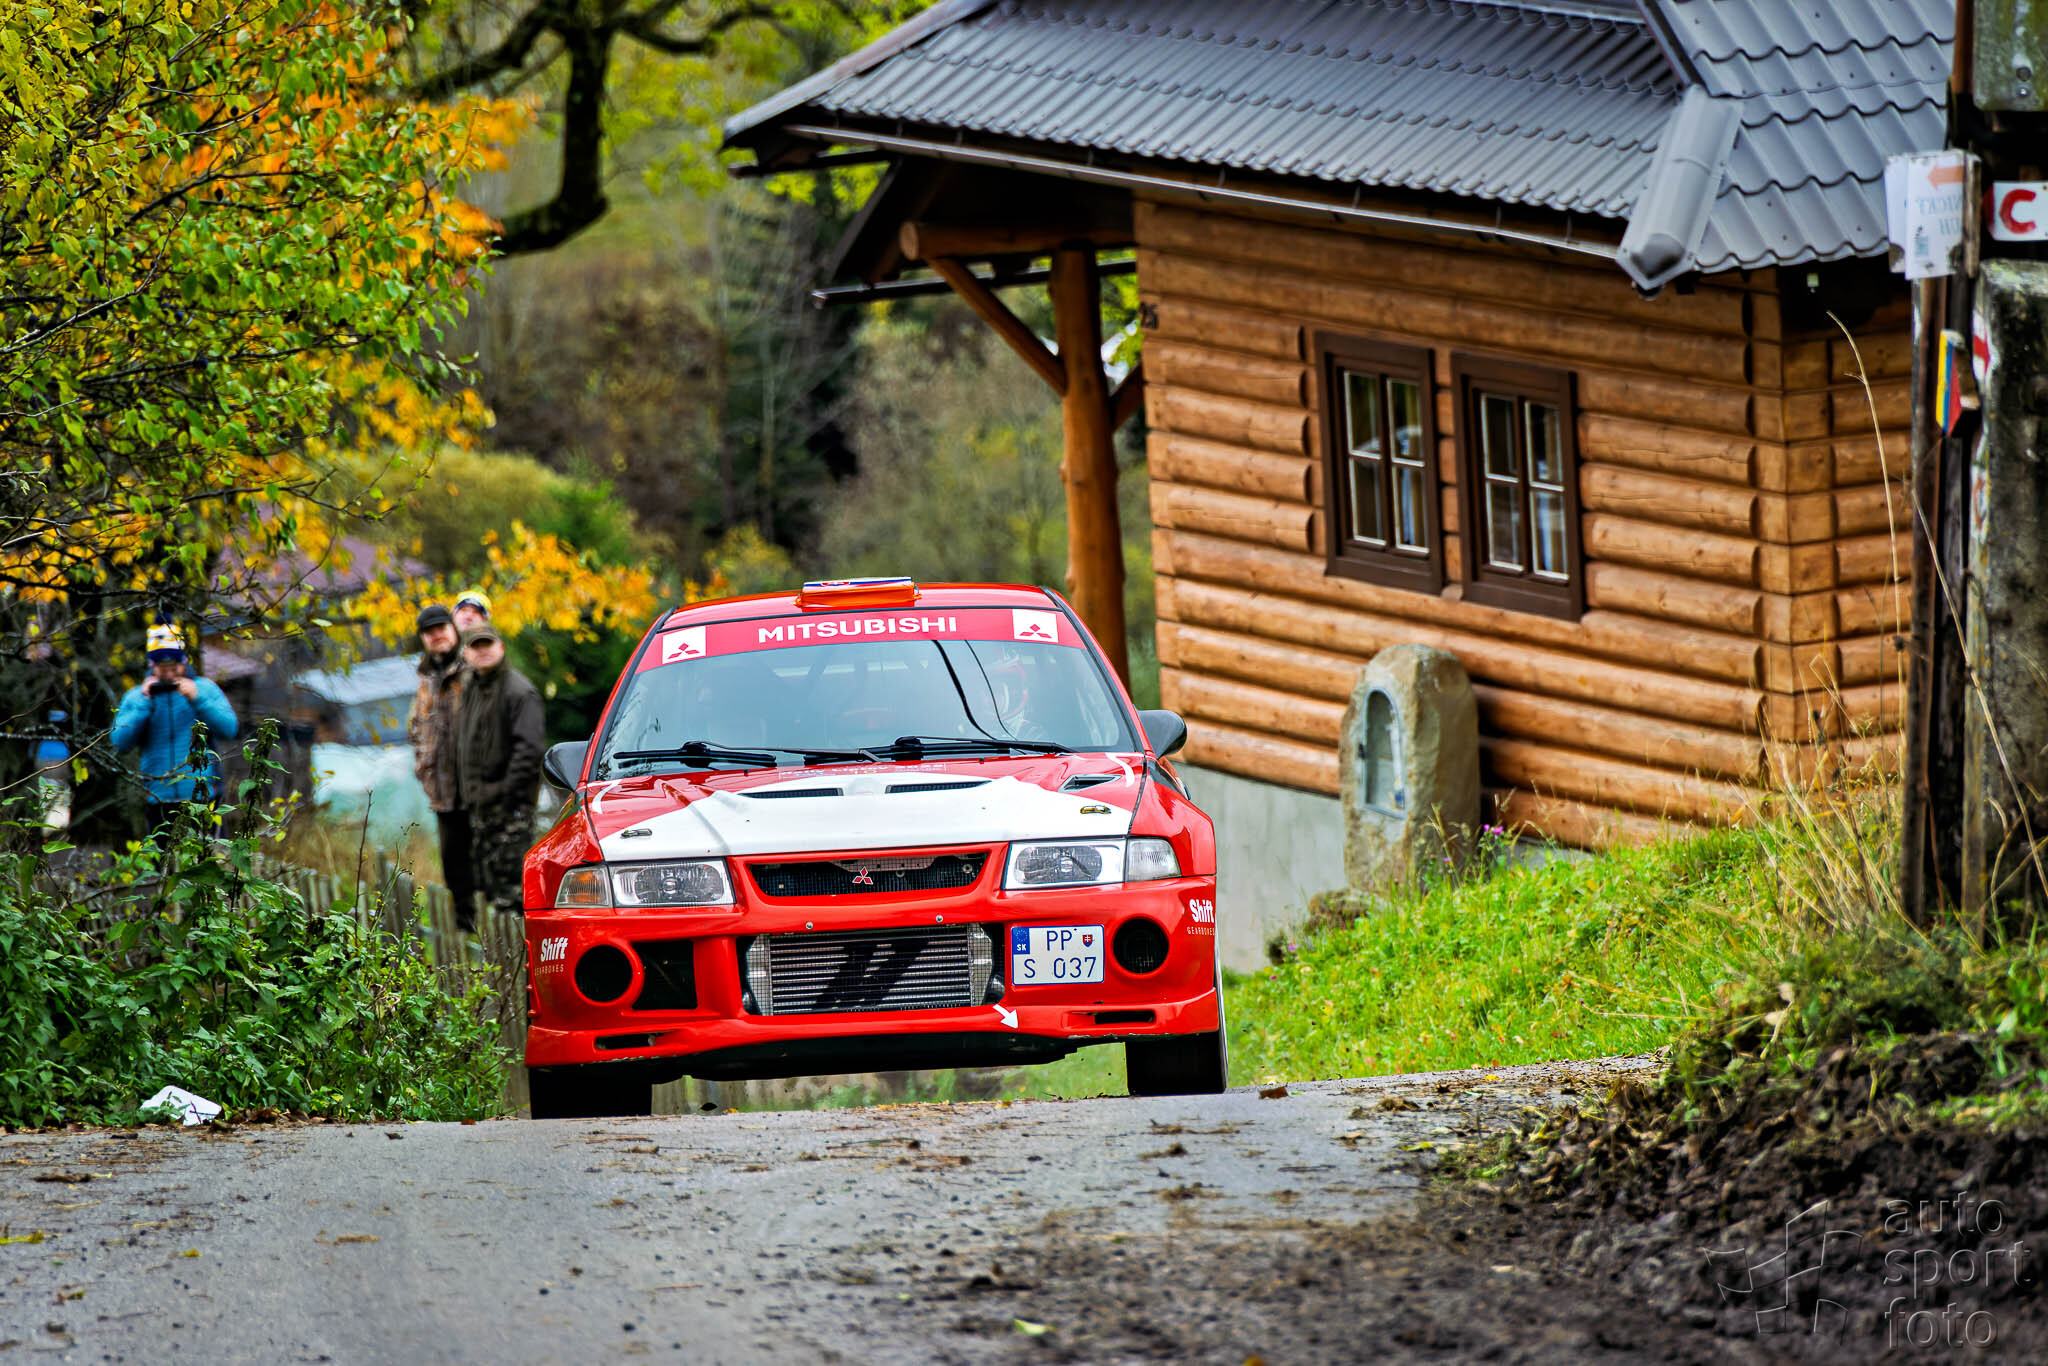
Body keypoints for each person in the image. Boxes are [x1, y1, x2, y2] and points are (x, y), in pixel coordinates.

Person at [111, 623, 239, 845]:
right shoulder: (137, 697)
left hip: (203, 797)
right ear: (152, 665)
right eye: (163, 667)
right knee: (163, 862)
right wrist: (144, 704)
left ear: (185, 661)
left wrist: (198, 699)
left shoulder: (205, 689)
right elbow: (119, 743)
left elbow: (230, 729)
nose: (169, 673)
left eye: (174, 666)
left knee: (211, 859)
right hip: (158, 800)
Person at [454, 623, 544, 924]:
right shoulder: (471, 689)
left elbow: (529, 751)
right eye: (475, 646)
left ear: (501, 647)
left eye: (488, 644)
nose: (482, 651)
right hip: (481, 809)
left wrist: (507, 797)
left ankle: (519, 953)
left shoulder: (519, 691)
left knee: (513, 894)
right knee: (491, 892)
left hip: (509, 811)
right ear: (466, 653)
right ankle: (499, 952)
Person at [406, 603, 474, 924]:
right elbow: (416, 730)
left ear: (453, 629)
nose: (437, 635)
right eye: (429, 631)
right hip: (443, 792)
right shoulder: (426, 679)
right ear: (423, 637)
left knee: (487, 865)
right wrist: (424, 771)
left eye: (441, 628)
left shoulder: (473, 667)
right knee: (453, 866)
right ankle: (467, 936)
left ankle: (501, 934)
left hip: (479, 788)